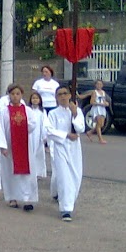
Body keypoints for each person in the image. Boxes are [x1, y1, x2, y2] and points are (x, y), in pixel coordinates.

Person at [45, 86, 85, 222]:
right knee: (64, 177)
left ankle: (69, 201)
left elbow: (80, 128)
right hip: (60, 147)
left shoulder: (77, 111)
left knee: (75, 176)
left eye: (65, 93)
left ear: (70, 95)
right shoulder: (53, 113)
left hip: (74, 149)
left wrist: (74, 114)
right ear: (56, 97)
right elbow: (49, 131)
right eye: (60, 94)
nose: (63, 96)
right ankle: (66, 209)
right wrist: (66, 135)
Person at [0, 84, 37, 211]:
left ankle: (27, 198)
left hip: (24, 144)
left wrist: (23, 127)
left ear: (21, 95)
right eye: (13, 94)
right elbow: (1, 129)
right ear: (9, 95)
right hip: (10, 146)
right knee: (10, 171)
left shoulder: (28, 110)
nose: (15, 96)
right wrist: (3, 146)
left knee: (26, 172)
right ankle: (12, 197)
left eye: (18, 93)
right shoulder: (4, 111)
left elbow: (33, 124)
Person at [83, 80, 109, 144]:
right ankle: (100, 139)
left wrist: (106, 103)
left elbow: (104, 100)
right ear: (95, 85)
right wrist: (100, 104)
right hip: (97, 109)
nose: (99, 85)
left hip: (102, 109)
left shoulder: (103, 92)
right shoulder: (94, 92)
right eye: (98, 84)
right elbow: (92, 102)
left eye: (100, 84)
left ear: (102, 85)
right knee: (99, 123)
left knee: (101, 124)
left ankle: (90, 132)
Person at [28, 92, 47, 178]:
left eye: (36, 98)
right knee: (30, 152)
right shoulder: (28, 111)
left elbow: (45, 124)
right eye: (33, 98)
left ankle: (39, 172)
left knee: (38, 153)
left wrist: (44, 135)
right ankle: (30, 171)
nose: (35, 100)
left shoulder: (42, 112)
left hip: (38, 134)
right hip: (30, 134)